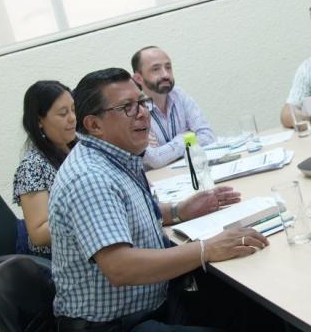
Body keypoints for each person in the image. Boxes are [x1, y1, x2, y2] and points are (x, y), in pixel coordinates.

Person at [49, 68, 269, 331]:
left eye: (142, 102)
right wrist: (206, 249)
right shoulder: (89, 177)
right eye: (127, 107)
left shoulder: (116, 155)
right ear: (94, 125)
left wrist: (179, 211)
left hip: (155, 300)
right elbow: (120, 268)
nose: (143, 112)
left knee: (256, 308)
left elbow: (125, 214)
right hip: (115, 324)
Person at [12, 80, 76, 258]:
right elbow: (39, 234)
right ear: (39, 121)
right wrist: (88, 215)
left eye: (73, 109)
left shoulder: (80, 148)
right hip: (58, 259)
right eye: (63, 113)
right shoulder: (32, 167)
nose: (72, 118)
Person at [131, 46, 216, 169]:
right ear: (138, 78)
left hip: (188, 172)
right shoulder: (135, 109)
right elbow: (153, 159)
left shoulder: (179, 95)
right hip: (160, 182)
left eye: (168, 67)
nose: (165, 74)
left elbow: (208, 137)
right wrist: (186, 138)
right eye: (156, 69)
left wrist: (166, 152)